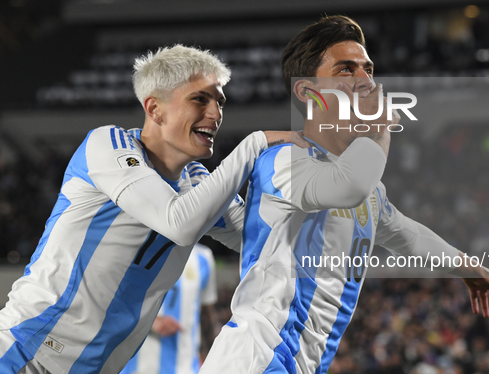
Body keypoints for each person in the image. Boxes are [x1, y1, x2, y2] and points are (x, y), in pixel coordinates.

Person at [199, 16, 489, 374]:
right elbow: (348, 186)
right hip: (255, 358)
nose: (365, 81)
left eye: (368, 69)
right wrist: (379, 128)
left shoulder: (369, 190)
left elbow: (407, 236)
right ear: (307, 92)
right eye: (345, 70)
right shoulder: (283, 160)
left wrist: (469, 268)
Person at [0, 45, 303, 374]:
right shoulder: (108, 145)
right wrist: (255, 145)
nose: (216, 114)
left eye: (220, 102)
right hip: (26, 355)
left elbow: (266, 243)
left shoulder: (198, 182)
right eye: (200, 99)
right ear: (155, 109)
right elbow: (178, 223)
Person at [121, 243, 219, 374]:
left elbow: (206, 318)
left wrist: (214, 362)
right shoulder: (133, 248)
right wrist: (150, 321)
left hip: (185, 369)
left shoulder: (203, 257)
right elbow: (109, 305)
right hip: (135, 369)